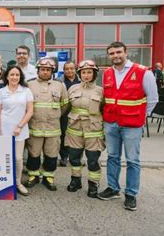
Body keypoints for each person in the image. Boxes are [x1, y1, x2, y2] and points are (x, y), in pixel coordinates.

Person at [98, 41, 158, 211]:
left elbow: (153, 99)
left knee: (132, 160)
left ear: (126, 52)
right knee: (112, 157)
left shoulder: (142, 72)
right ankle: (113, 188)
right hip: (111, 122)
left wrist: (141, 116)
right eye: (112, 53)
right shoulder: (107, 73)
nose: (115, 56)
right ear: (108, 55)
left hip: (132, 124)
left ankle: (131, 194)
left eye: (118, 52)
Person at [25, 57, 68, 191]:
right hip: (35, 128)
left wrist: (54, 116)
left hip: (53, 128)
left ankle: (48, 177)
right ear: (38, 70)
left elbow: (65, 105)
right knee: (34, 154)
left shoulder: (60, 85)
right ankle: (33, 176)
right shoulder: (29, 84)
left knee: (51, 154)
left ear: (52, 71)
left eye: (48, 70)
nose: (45, 72)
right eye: (42, 69)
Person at [65, 59, 105, 198]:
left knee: (92, 160)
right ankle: (75, 181)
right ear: (79, 74)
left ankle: (93, 184)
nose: (86, 75)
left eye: (89, 72)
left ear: (94, 74)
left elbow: (105, 110)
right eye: (83, 72)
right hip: (74, 130)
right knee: (74, 158)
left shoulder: (101, 91)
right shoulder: (72, 89)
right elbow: (66, 108)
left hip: (93, 131)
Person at [0, 65, 34, 196]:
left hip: (19, 131)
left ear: (20, 76)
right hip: (4, 130)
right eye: (12, 74)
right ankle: (4, 182)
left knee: (17, 158)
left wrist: (20, 126)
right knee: (4, 158)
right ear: (7, 76)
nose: (14, 77)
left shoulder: (26, 91)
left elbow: (30, 111)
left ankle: (17, 183)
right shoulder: (1, 92)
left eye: (17, 75)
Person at [57, 61, 80, 166]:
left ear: (75, 69)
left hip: (78, 113)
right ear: (64, 70)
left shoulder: (81, 80)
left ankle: (76, 157)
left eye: (71, 68)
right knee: (63, 135)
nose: (69, 71)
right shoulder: (59, 82)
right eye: (67, 69)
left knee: (77, 136)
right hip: (64, 113)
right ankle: (64, 157)